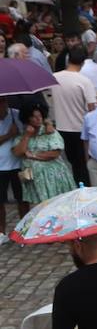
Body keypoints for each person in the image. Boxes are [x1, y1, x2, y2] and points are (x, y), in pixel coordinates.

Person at [49, 46, 97, 187]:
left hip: (61, 127)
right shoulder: (84, 81)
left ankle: (78, 186)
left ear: (68, 59)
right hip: (80, 128)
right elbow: (92, 108)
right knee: (83, 163)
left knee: (73, 162)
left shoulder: (54, 77)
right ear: (83, 63)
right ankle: (86, 188)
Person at [13, 101, 77, 206]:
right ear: (27, 118)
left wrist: (32, 155)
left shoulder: (50, 132)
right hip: (34, 179)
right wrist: (27, 136)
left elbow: (55, 153)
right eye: (34, 117)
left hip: (53, 177)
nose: (38, 119)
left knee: (58, 205)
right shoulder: (23, 135)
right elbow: (17, 152)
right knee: (40, 207)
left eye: (40, 116)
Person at [0, 95, 28, 236]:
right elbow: (10, 136)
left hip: (18, 164)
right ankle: (1, 233)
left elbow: (28, 135)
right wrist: (9, 135)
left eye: (3, 100)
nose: (1, 104)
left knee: (22, 199)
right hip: (0, 167)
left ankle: (24, 230)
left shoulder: (16, 114)